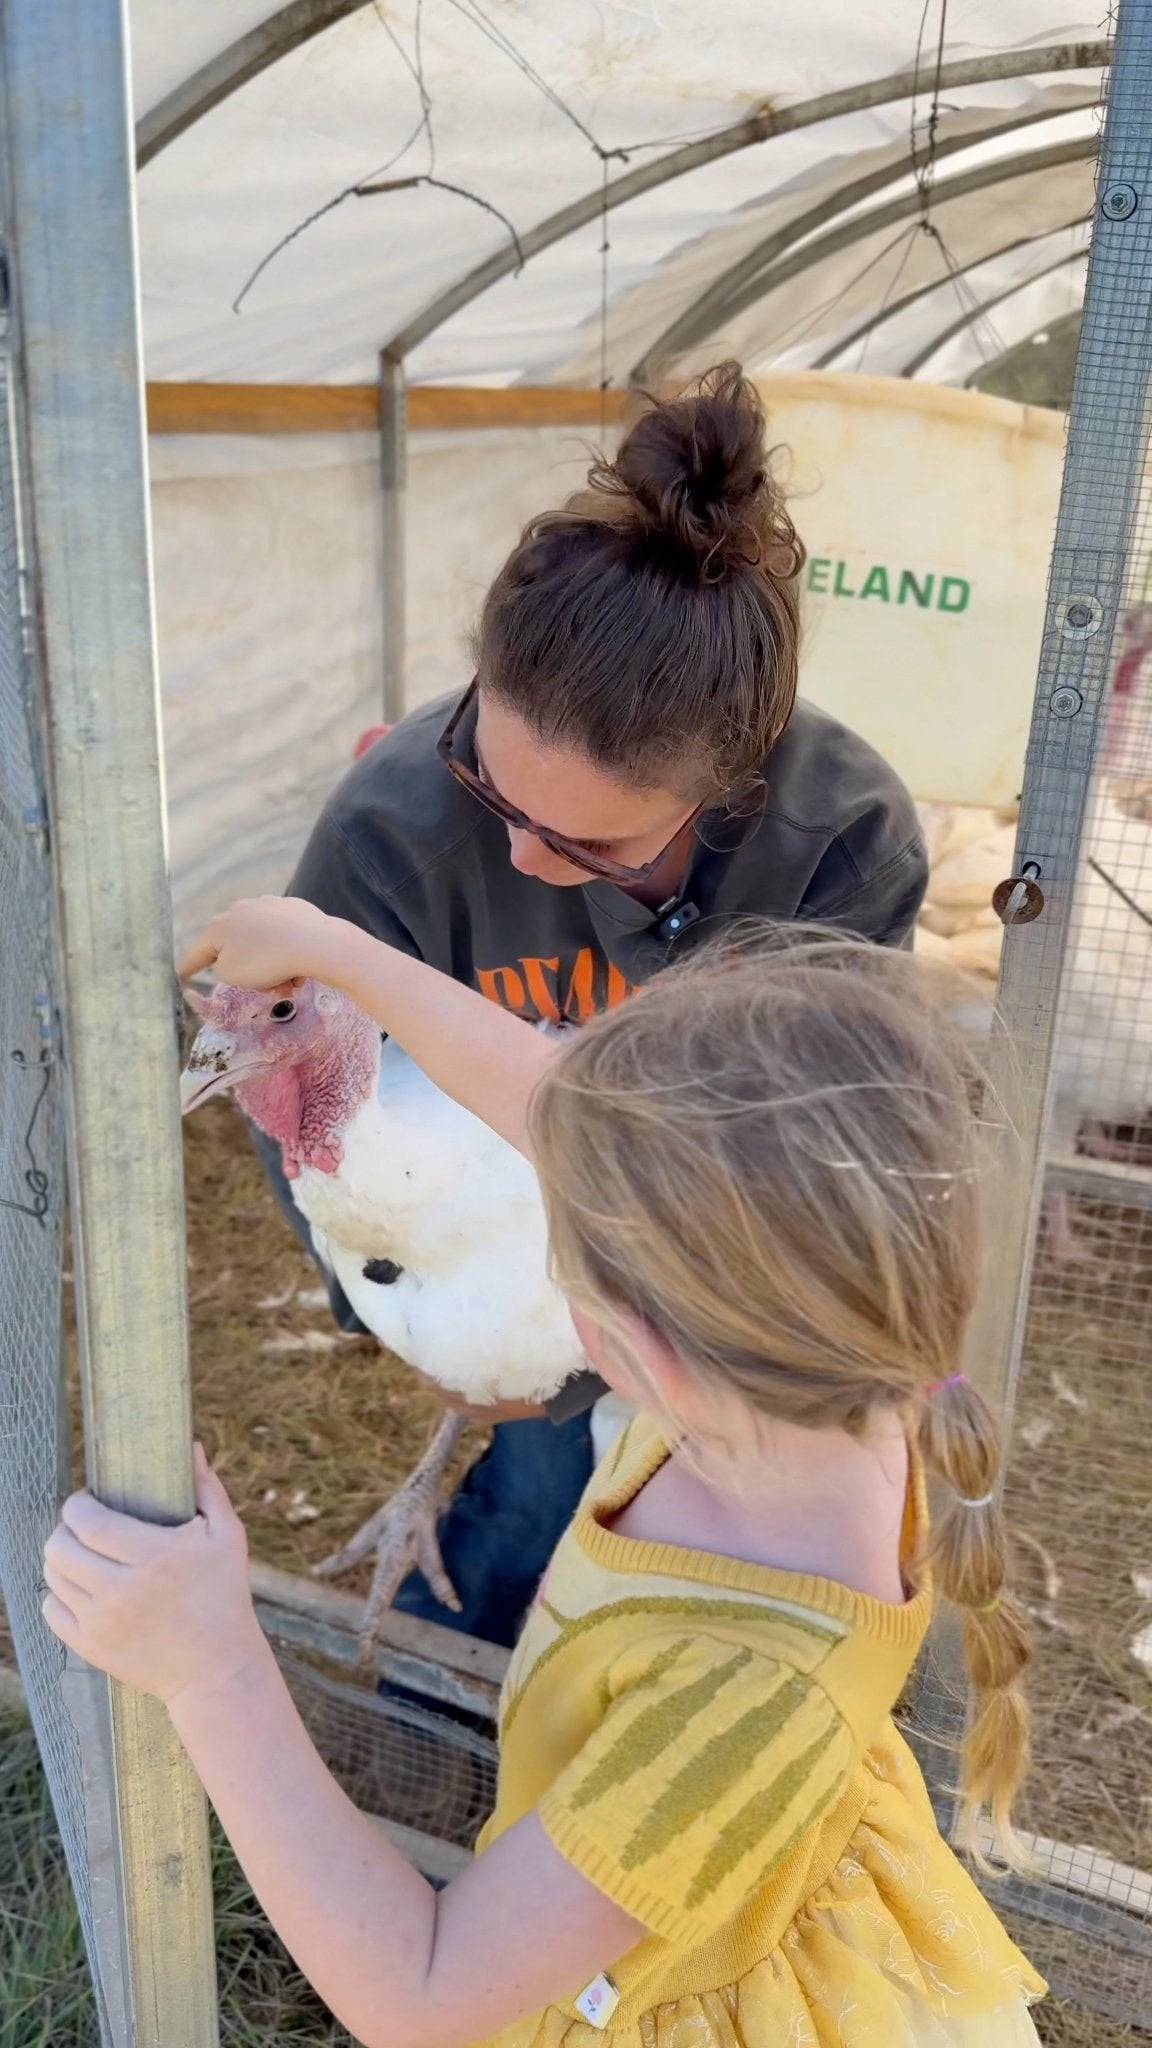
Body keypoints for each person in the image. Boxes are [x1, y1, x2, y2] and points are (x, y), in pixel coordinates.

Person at [44, 902, 1043, 2047]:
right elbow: (548, 1099)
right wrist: (330, 951)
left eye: (558, 1226)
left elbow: (418, 1992)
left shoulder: (746, 1692)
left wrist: (212, 1663)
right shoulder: (833, 1365)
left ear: (628, 1337)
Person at [251, 362, 929, 1648]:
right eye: (495, 794)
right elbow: (302, 1110)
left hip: (721, 1274)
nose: (520, 861)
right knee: (528, 1509)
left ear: (729, 786)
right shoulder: (392, 829)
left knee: (735, 1558)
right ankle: (444, 1720)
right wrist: (409, 1321)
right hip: (503, 1286)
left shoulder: (844, 833)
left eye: (591, 847)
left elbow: (807, 1143)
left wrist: (677, 1331)